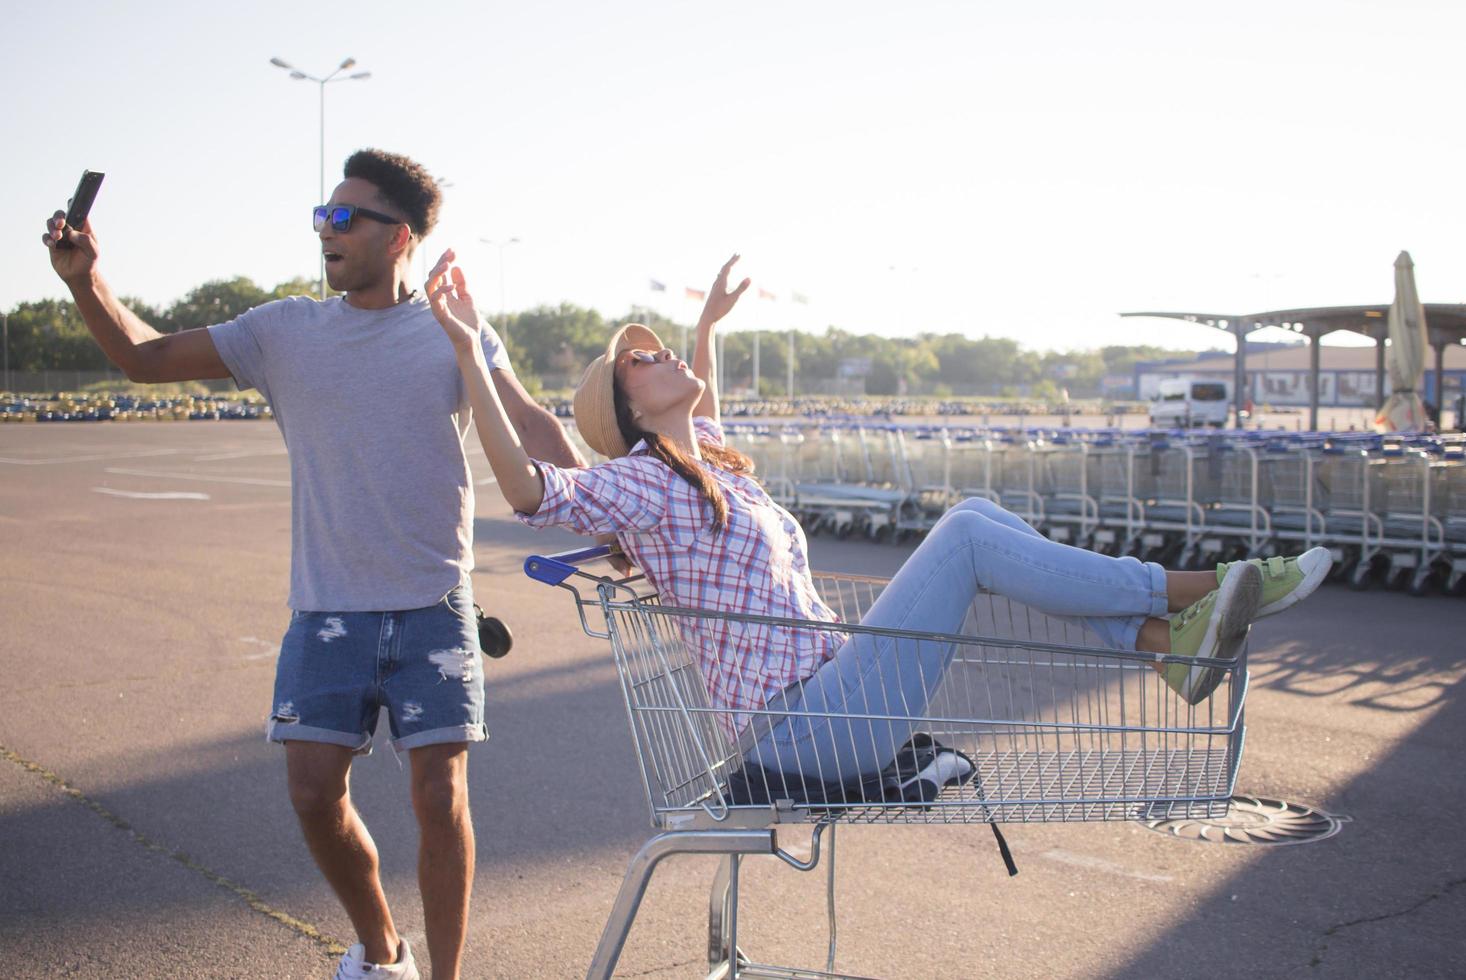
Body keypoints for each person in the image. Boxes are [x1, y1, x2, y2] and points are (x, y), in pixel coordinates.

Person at [426, 250, 1330, 787]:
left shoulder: (714, 473)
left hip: (831, 699)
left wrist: (705, 328)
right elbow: (532, 490)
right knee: (969, 535)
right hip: (803, 725)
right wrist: (471, 349)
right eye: (641, 361)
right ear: (628, 414)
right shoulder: (646, 485)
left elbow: (700, 405)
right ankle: (1199, 590)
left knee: (972, 510)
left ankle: (1161, 642)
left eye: (660, 346)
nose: (659, 352)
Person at [41, 149, 583, 980]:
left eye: (343, 218)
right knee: (310, 794)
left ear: (397, 236)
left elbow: (534, 426)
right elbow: (143, 359)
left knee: (440, 799)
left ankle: (447, 977)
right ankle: (381, 948)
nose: (325, 232)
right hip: (326, 608)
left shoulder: (451, 331)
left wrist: (613, 508)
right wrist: (86, 281)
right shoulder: (282, 331)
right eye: (320, 217)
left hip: (434, 604)